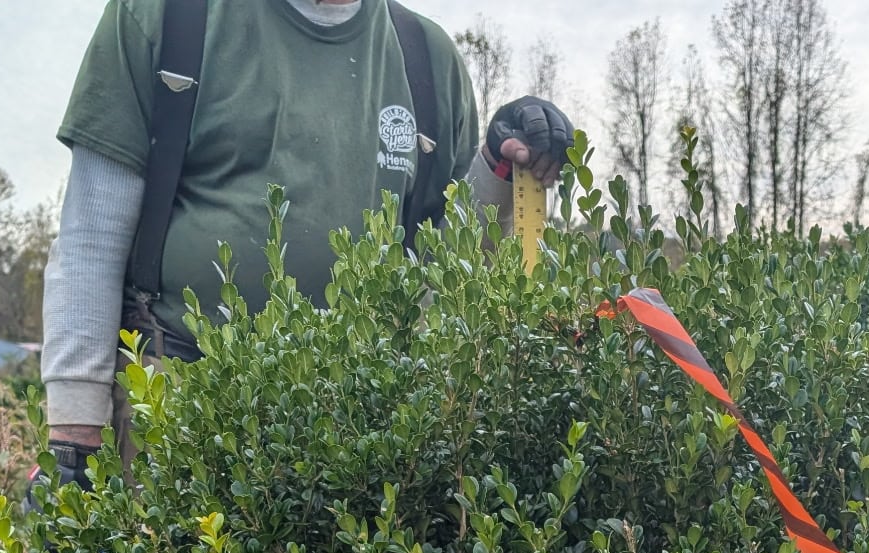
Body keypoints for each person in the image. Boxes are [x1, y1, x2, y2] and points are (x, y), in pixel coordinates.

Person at [41, 0, 574, 485]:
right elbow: (92, 233)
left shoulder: (427, 58)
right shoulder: (166, 15)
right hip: (175, 394)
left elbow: (451, 258)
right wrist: (74, 436)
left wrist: (500, 168)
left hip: (367, 426)